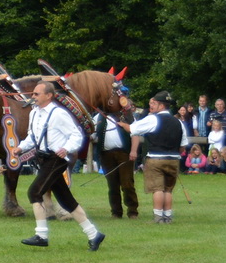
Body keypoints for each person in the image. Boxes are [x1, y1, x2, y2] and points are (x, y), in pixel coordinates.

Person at [21, 80, 105, 250]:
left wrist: (66, 148)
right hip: (43, 158)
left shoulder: (59, 113)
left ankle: (41, 235)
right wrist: (20, 148)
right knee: (66, 200)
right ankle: (94, 234)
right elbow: (32, 136)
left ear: (49, 95)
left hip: (55, 159)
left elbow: (77, 135)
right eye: (33, 93)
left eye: (37, 94)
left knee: (34, 192)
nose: (33, 96)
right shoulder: (34, 113)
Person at [129, 90, 186, 224]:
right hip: (173, 159)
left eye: (155, 103)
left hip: (155, 158)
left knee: (158, 188)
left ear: (161, 105)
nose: (152, 106)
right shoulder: (179, 122)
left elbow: (133, 129)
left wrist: (122, 125)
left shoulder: (153, 118)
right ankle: (168, 216)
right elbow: (183, 146)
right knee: (168, 189)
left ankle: (158, 217)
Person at [90, 94, 139, 218]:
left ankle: (132, 211)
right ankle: (116, 212)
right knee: (112, 185)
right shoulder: (99, 117)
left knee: (127, 183)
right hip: (106, 155)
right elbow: (92, 134)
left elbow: (135, 134)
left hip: (124, 154)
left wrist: (133, 151)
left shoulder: (127, 116)